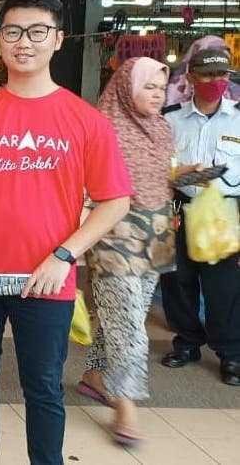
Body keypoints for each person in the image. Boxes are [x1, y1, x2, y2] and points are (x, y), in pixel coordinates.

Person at [0, 0, 132, 465]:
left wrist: (65, 255)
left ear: (58, 39)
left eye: (37, 32)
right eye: (13, 32)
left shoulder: (85, 120)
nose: (24, 42)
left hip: (45, 278)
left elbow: (115, 201)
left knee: (43, 387)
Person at [78, 58, 176, 445]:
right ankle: (126, 404)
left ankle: (95, 376)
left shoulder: (162, 128)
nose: (157, 95)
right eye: (148, 86)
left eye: (161, 88)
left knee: (124, 315)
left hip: (156, 230)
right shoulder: (101, 127)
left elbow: (162, 174)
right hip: (114, 233)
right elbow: (84, 182)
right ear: (126, 86)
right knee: (130, 323)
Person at [160, 48, 240, 387]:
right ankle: (187, 342)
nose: (215, 81)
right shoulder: (169, 119)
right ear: (190, 77)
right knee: (177, 281)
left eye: (221, 75)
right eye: (207, 75)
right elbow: (157, 166)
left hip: (224, 211)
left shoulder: (238, 118)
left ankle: (231, 353)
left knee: (224, 287)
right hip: (179, 207)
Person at [165, 35, 230, 105]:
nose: (216, 80)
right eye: (207, 74)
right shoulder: (171, 94)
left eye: (221, 73)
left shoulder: (235, 94)